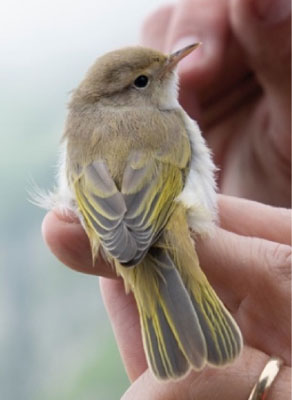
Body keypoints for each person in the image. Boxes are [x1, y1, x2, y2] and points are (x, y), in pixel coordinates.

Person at [42, 0, 291, 398]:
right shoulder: (169, 122)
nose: (169, 69)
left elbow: (85, 199)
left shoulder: (78, 135)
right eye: (143, 81)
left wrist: (122, 235)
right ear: (119, 94)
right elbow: (175, 188)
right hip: (165, 213)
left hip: (114, 226)